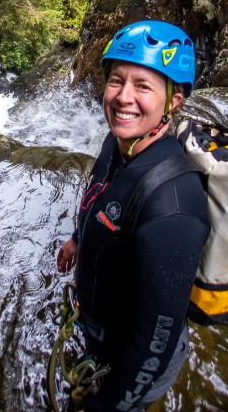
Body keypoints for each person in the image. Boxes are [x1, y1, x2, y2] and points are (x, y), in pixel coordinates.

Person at [57, 20, 210, 412]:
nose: (123, 97)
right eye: (116, 81)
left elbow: (154, 341)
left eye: (143, 86)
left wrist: (108, 405)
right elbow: (100, 190)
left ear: (173, 100)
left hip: (139, 360)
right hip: (101, 329)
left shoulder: (173, 203)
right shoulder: (118, 139)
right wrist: (78, 237)